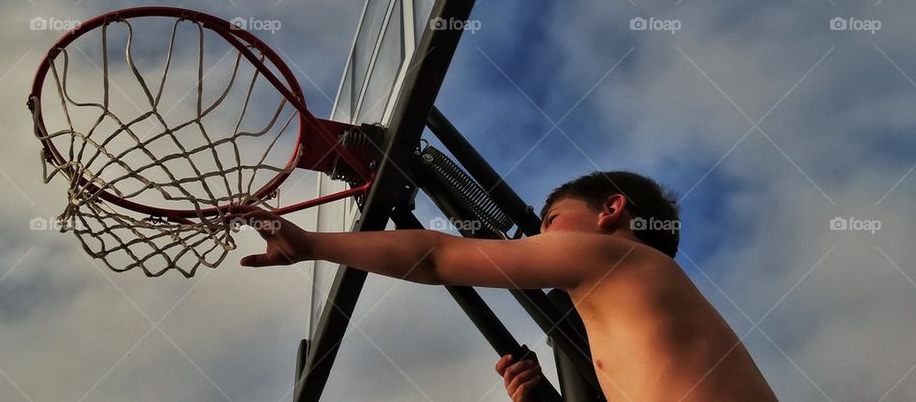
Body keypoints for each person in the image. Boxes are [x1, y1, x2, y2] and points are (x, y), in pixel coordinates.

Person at [241, 170, 778, 401]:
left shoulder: (613, 255)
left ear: (611, 211)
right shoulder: (646, 307)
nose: (541, 237)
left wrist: (309, 244)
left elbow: (434, 257)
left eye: (551, 221)